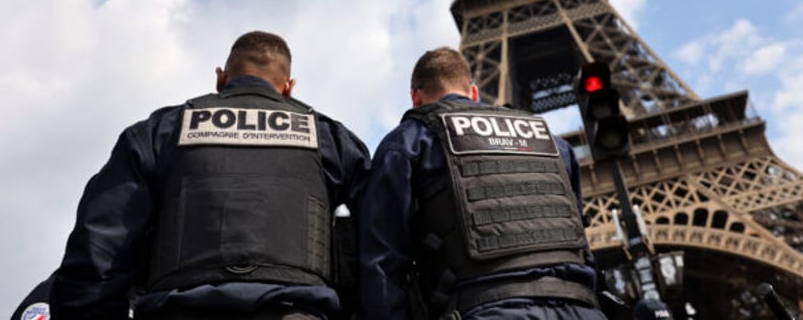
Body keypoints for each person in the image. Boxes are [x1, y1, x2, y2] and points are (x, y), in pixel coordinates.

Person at [50, 30, 371, 320]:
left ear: (220, 78)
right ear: (289, 87)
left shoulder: (158, 134)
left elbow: (98, 247)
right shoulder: (331, 140)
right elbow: (382, 237)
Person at [358, 46, 607, 319]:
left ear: (415, 98)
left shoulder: (409, 141)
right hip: (583, 308)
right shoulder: (553, 143)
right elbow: (582, 247)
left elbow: (382, 263)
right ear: (474, 92)